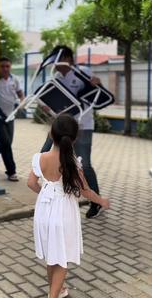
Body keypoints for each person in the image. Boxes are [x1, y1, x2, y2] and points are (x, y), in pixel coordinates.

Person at [27, 114, 110, 298]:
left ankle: (58, 290)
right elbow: (85, 191)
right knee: (62, 257)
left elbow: (31, 183)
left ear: (51, 133)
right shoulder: (73, 163)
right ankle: (53, 295)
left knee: (52, 255)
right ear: (75, 138)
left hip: (43, 211)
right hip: (64, 212)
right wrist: (101, 201)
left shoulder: (39, 158)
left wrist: (45, 192)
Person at [41, 45, 103, 219]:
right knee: (44, 154)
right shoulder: (57, 78)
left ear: (67, 59)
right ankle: (55, 194)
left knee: (85, 165)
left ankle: (96, 202)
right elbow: (55, 102)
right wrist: (46, 107)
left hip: (83, 126)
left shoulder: (83, 72)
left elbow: (98, 94)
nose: (54, 63)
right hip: (61, 127)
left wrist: (97, 84)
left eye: (57, 58)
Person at [0, 56, 24, 181]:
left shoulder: (15, 79)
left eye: (7, 66)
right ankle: (11, 171)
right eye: (2, 66)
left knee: (7, 144)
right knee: (6, 143)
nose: (5, 69)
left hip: (11, 115)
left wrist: (22, 102)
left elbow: (20, 93)